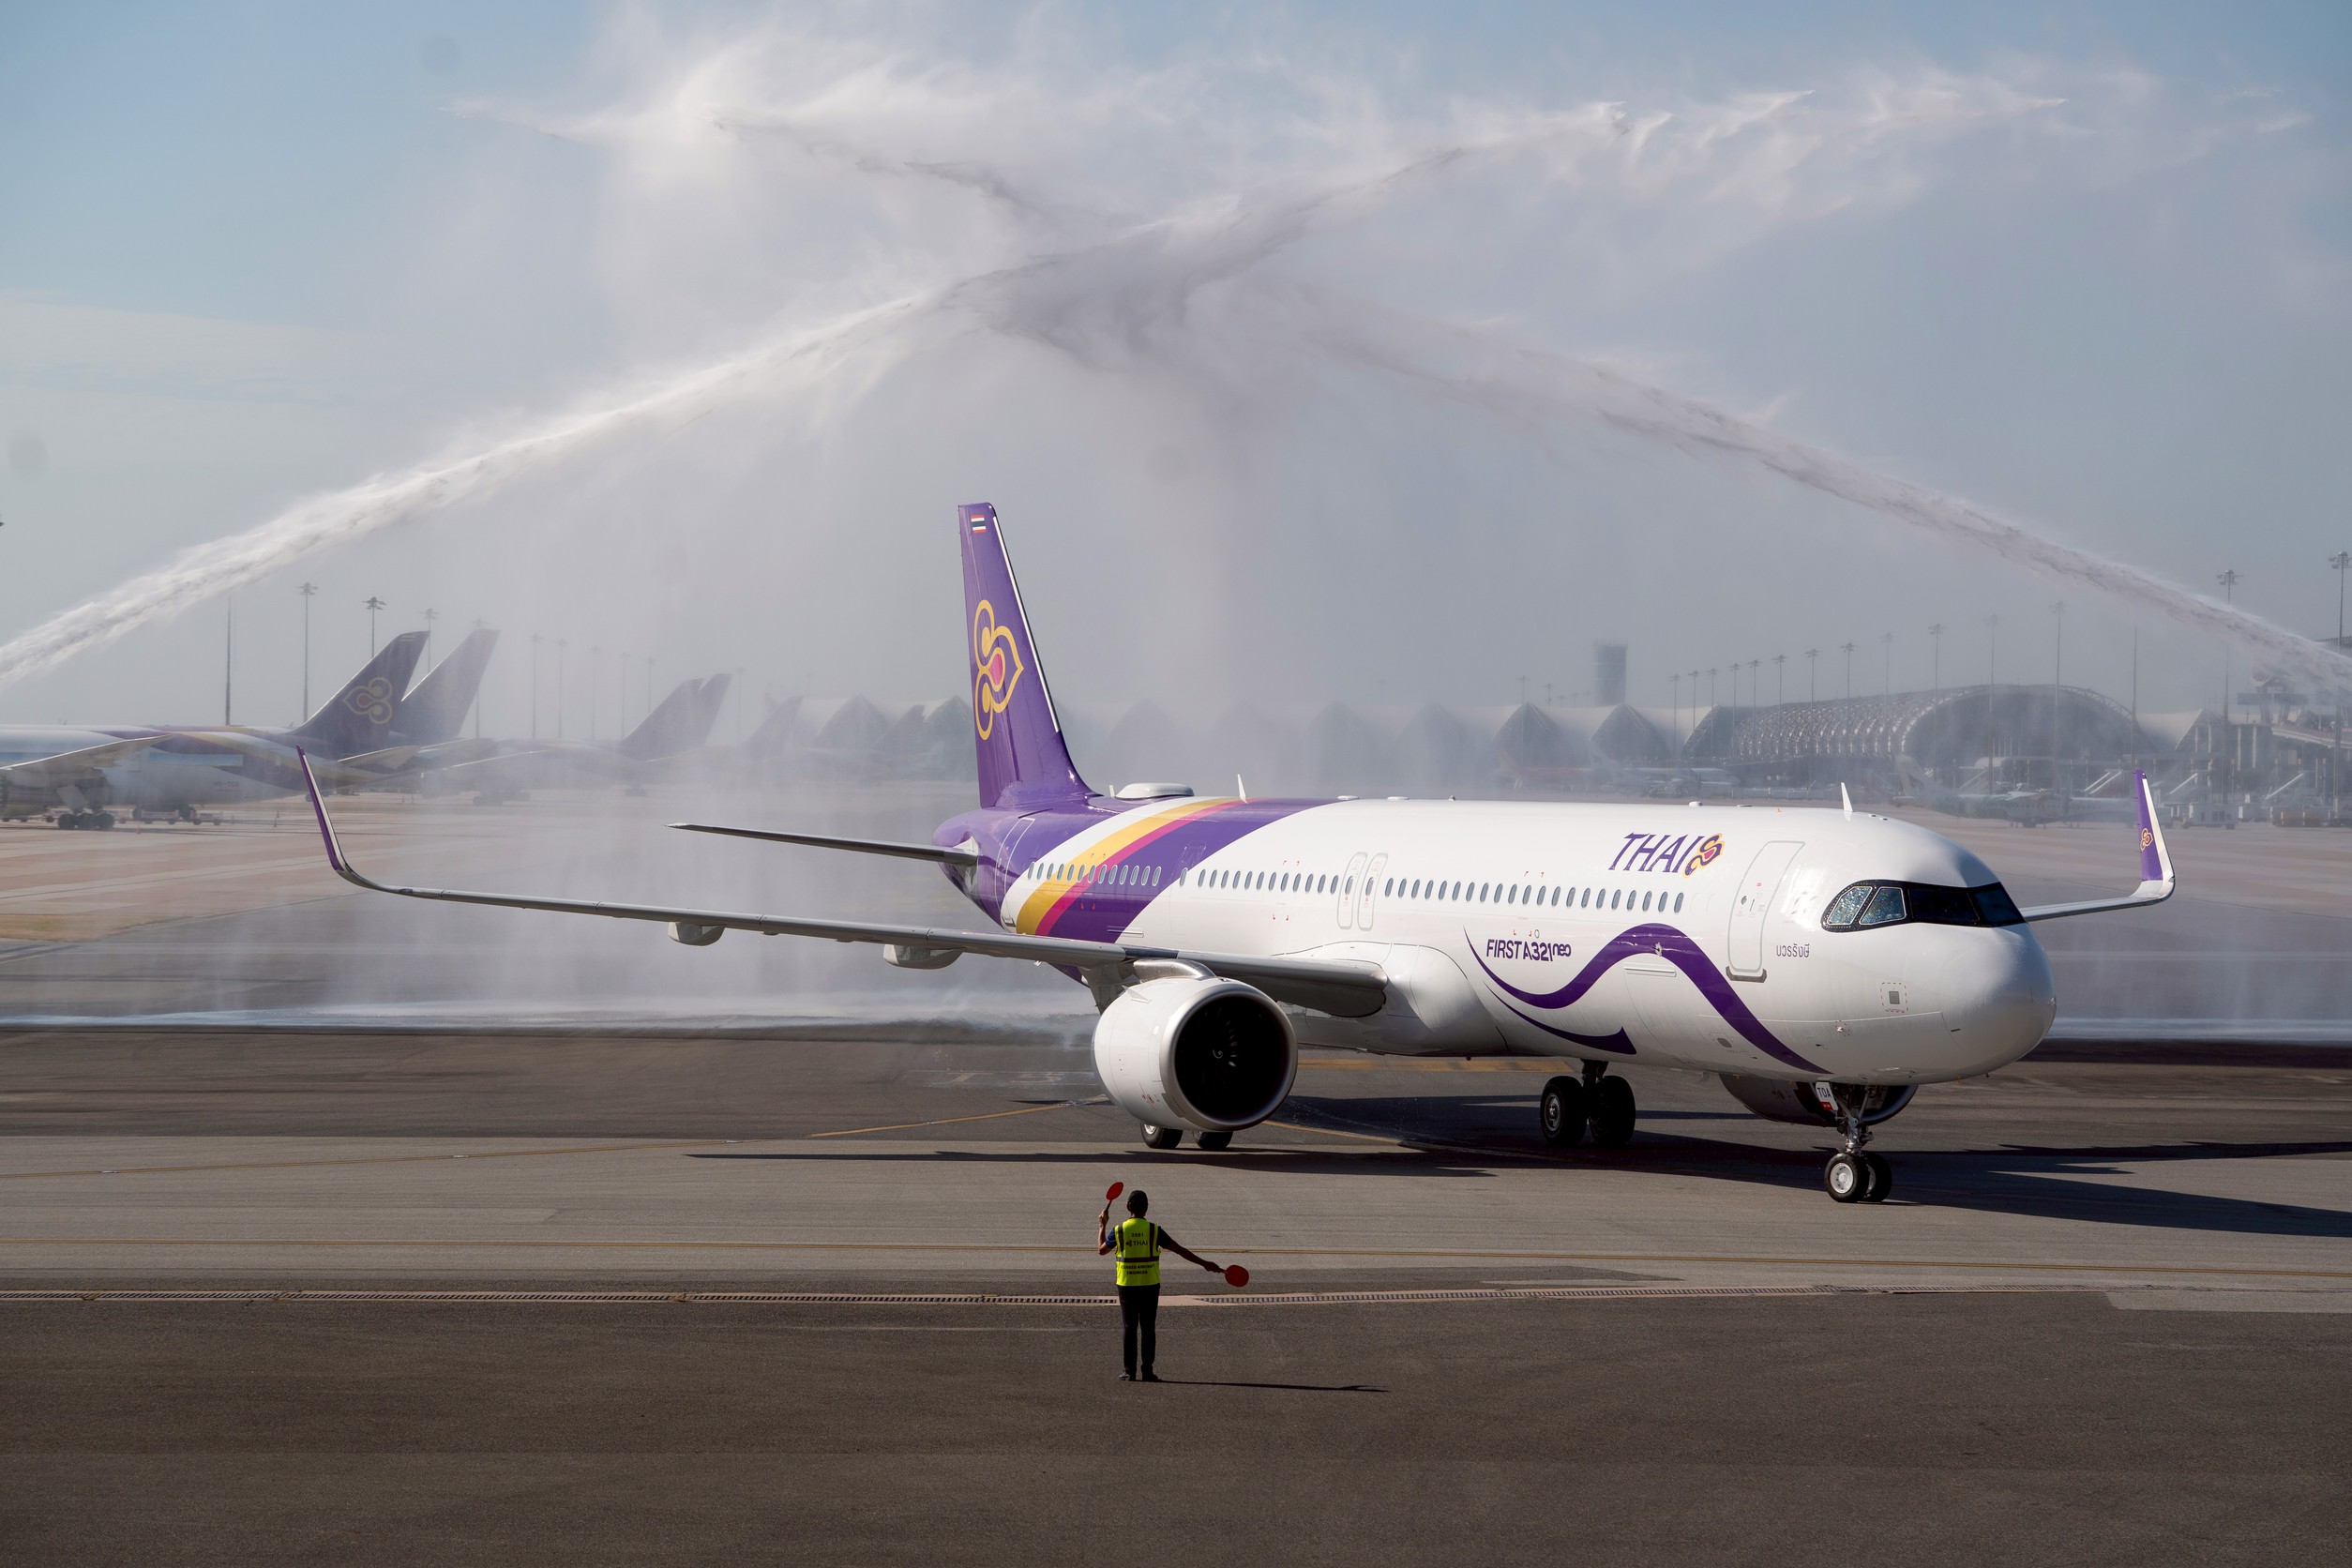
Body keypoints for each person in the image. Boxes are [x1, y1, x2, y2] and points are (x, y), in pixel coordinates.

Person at [1096, 1188, 1224, 1382]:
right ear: (1146, 1209)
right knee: (1148, 1328)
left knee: (1129, 1328)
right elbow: (1180, 1250)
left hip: (1127, 1285)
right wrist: (1205, 1264)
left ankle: (1129, 1371)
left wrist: (1102, 1226)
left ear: (1128, 1207)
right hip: (1150, 1285)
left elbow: (1101, 1250)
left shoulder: (1119, 1230)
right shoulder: (1154, 1230)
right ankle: (1148, 1371)